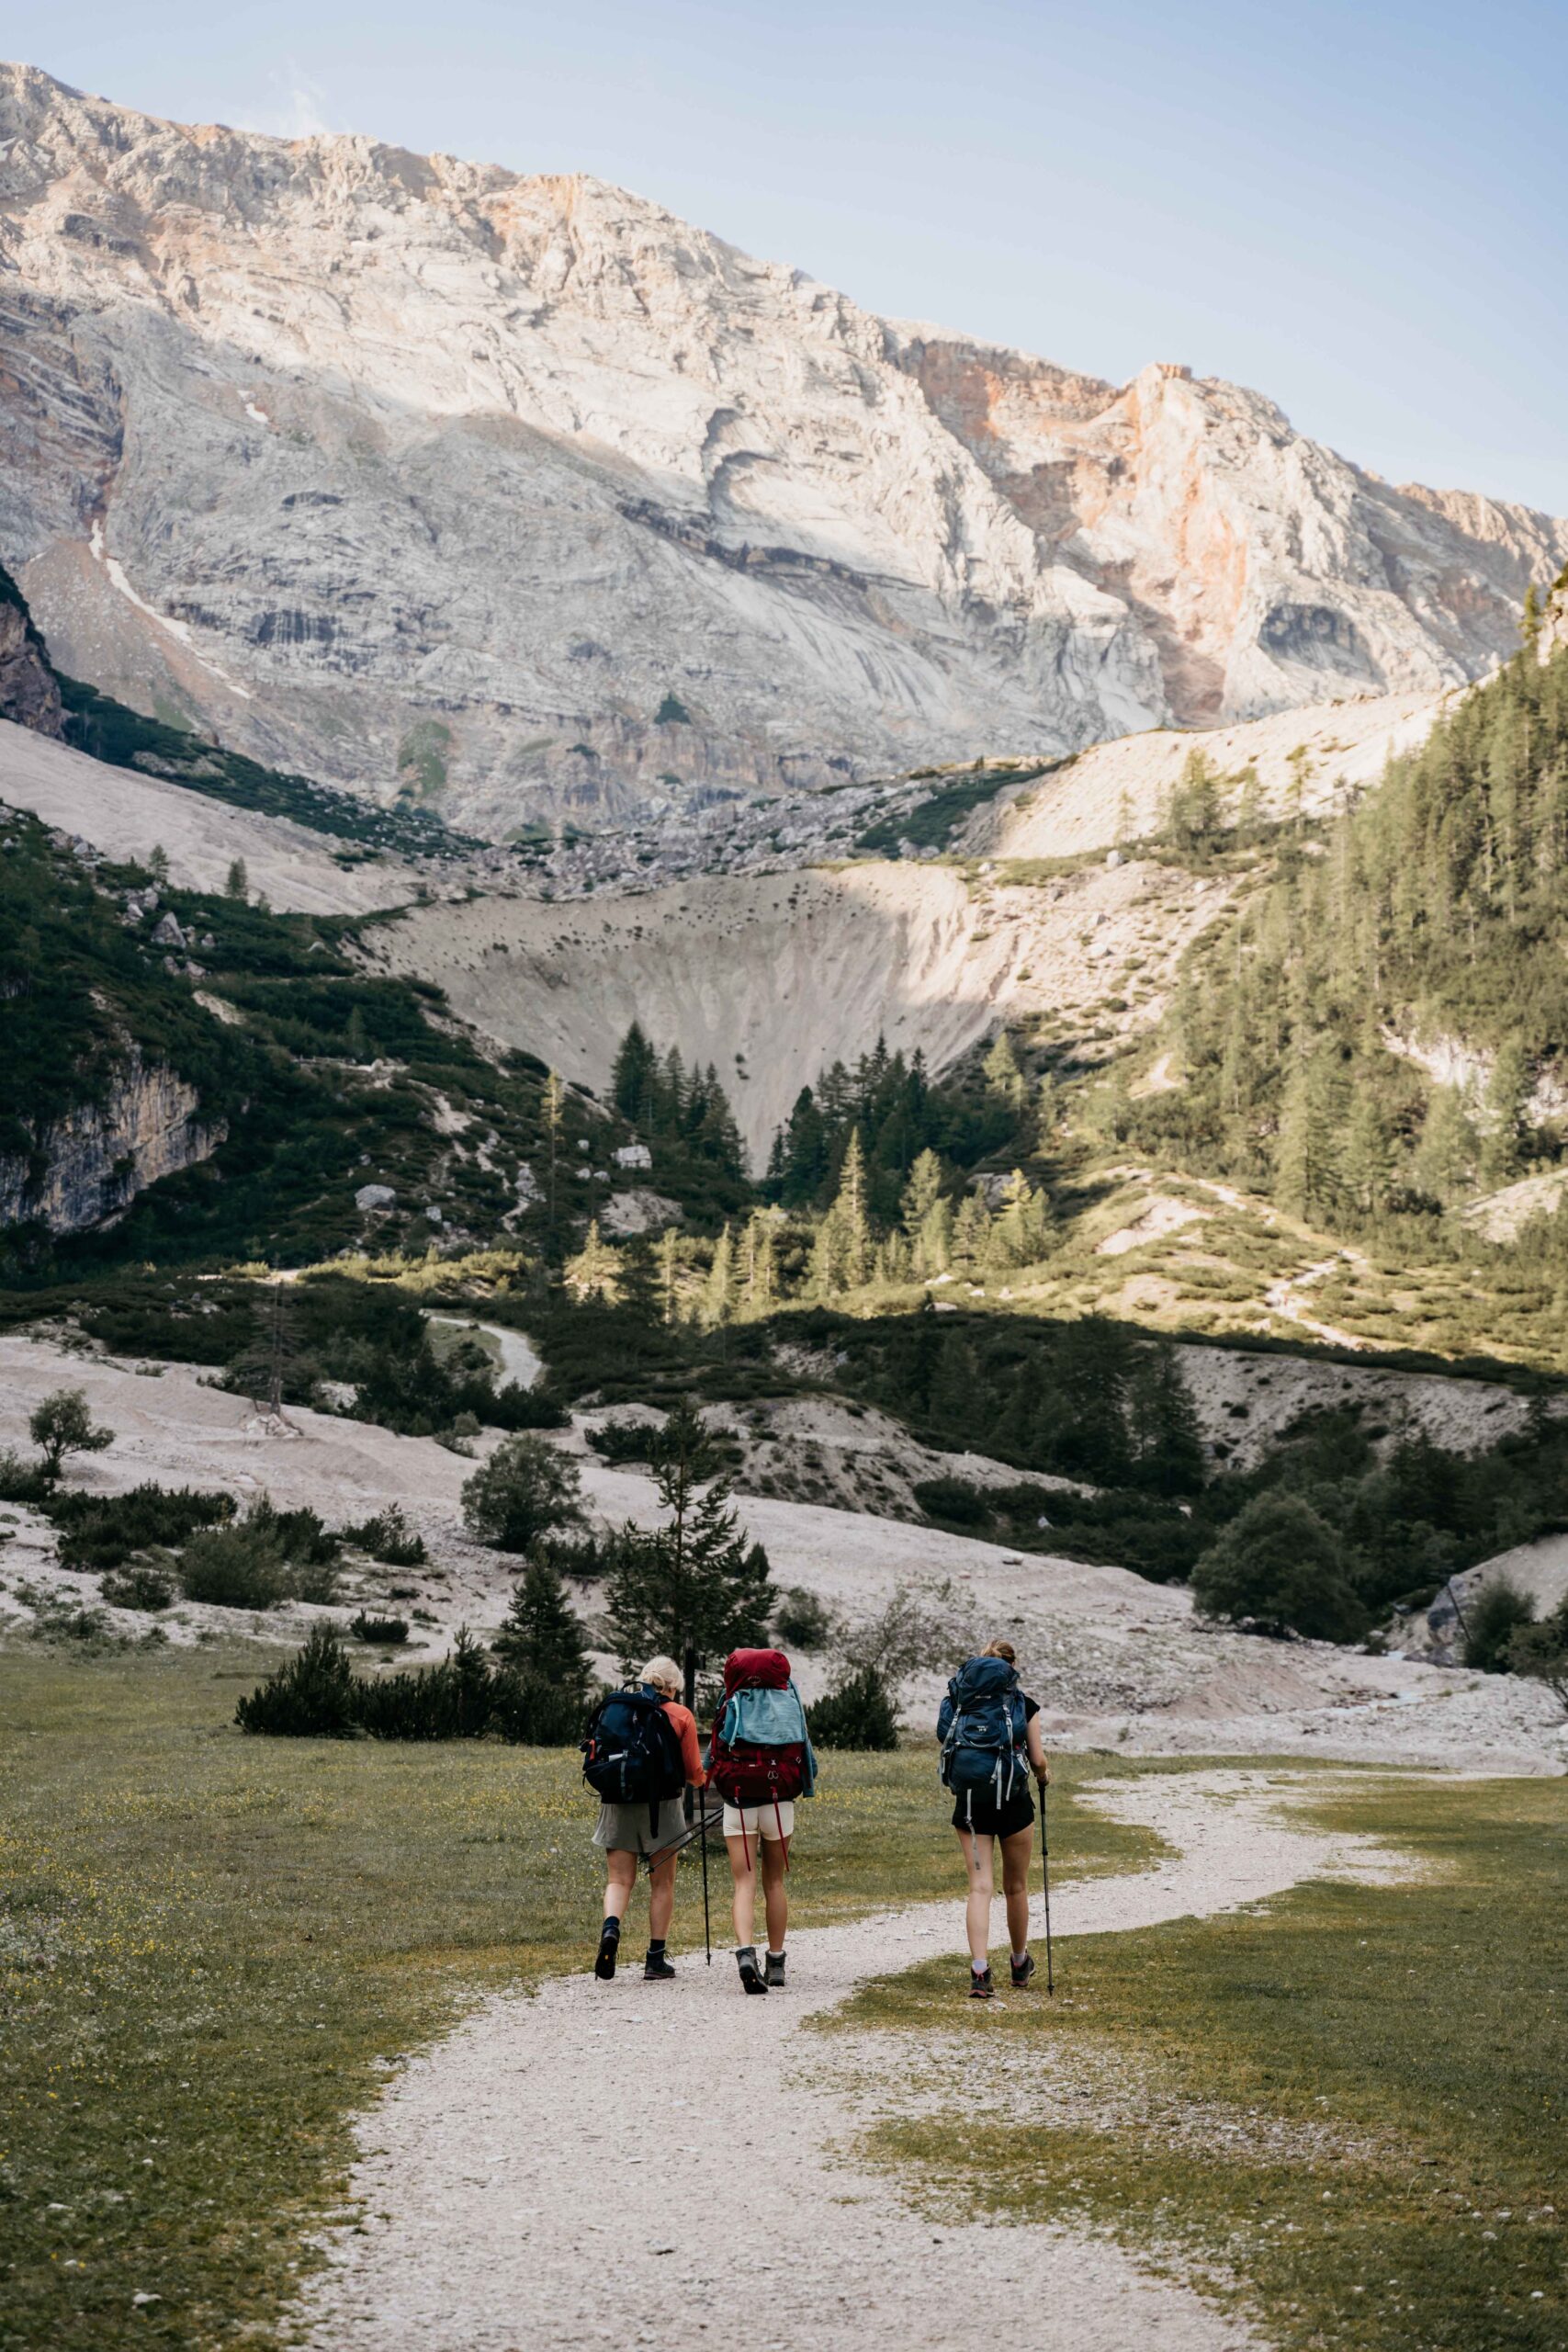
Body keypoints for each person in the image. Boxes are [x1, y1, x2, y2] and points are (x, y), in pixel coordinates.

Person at [937, 1638, 1050, 1998]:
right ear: (1012, 1670)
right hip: (1014, 1803)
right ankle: (1019, 1962)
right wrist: (1044, 1778)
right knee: (1015, 1886)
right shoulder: (1023, 1704)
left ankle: (980, 1971)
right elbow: (1039, 1760)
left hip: (970, 1803)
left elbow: (944, 1738)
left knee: (979, 1887)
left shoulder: (959, 1702)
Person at [588, 1655, 705, 1983]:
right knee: (662, 1883)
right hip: (663, 1809)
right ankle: (655, 1959)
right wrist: (704, 1779)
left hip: (618, 1800)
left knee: (619, 1880)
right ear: (673, 1687)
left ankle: (611, 1929)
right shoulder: (680, 1715)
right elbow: (694, 1773)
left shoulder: (621, 1709)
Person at [709, 1645, 817, 1996]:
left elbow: (714, 1750)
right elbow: (805, 1750)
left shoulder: (731, 1700)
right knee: (774, 1883)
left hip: (738, 1801)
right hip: (778, 1801)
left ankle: (745, 1953)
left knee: (744, 1882)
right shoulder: (789, 1701)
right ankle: (776, 1962)